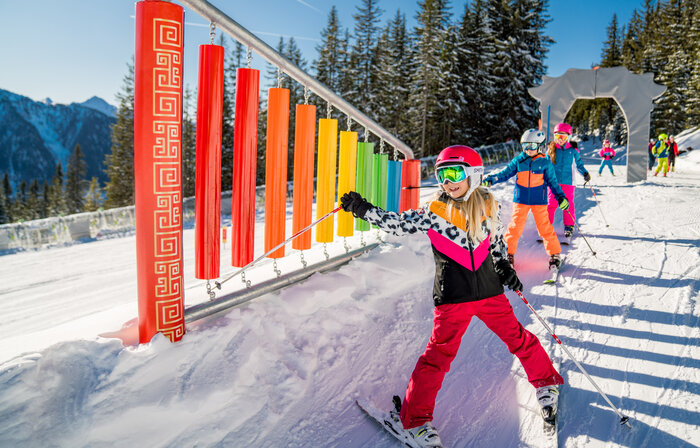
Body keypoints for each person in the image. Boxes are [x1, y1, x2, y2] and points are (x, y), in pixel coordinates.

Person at [340, 145, 564, 447]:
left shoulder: (489, 205)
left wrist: (502, 267)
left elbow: (496, 243)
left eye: (455, 173)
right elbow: (397, 224)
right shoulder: (434, 212)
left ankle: (546, 383)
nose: (449, 181)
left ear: (473, 174)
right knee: (437, 357)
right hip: (453, 297)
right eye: (443, 174)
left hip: (488, 292)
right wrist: (364, 209)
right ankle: (415, 422)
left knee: (518, 338)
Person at [483, 129, 569, 269]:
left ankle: (554, 254)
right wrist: (492, 179)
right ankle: (507, 253)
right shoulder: (519, 161)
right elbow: (505, 174)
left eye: (532, 146)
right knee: (515, 227)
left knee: (544, 228)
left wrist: (560, 197)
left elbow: (553, 183)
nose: (528, 149)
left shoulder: (545, 162)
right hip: (521, 200)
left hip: (539, 201)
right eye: (525, 146)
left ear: (539, 146)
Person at [546, 123, 591, 239]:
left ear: (569, 137)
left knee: (568, 205)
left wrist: (585, 173)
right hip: (553, 183)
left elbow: (579, 164)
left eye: (564, 137)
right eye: (558, 137)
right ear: (555, 137)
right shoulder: (550, 150)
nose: (561, 140)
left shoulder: (573, 151)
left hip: (568, 183)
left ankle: (569, 226)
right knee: (551, 205)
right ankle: (546, 227)